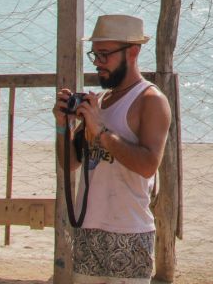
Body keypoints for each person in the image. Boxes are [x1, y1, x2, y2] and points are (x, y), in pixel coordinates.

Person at [53, 14, 171, 284]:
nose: (98, 63)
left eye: (105, 55)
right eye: (95, 55)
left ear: (133, 51)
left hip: (129, 232)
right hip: (87, 229)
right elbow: (70, 163)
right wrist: (63, 127)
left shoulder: (150, 100)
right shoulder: (101, 101)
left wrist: (101, 132)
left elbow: (148, 165)